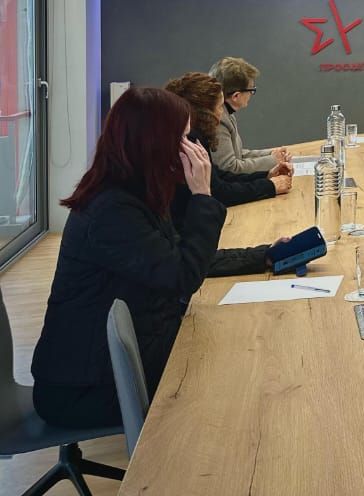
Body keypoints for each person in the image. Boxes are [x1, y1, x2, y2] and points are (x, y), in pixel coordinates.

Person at [31, 87, 272, 429]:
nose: (192, 148)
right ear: (154, 142)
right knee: (236, 373)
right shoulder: (112, 211)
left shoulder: (134, 191)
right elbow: (183, 277)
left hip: (120, 355)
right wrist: (202, 195)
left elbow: (182, 257)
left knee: (237, 342)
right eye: (183, 138)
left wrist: (262, 256)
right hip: (84, 387)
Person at [165, 71, 292, 205]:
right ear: (206, 113)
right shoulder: (191, 141)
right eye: (220, 107)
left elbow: (220, 176)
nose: (222, 112)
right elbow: (220, 192)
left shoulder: (195, 136)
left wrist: (267, 175)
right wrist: (269, 186)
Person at [208, 56, 291, 175]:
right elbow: (230, 167)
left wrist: (271, 154)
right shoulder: (218, 120)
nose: (252, 93)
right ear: (236, 96)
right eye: (251, 89)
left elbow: (238, 154)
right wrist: (273, 160)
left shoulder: (227, 113)